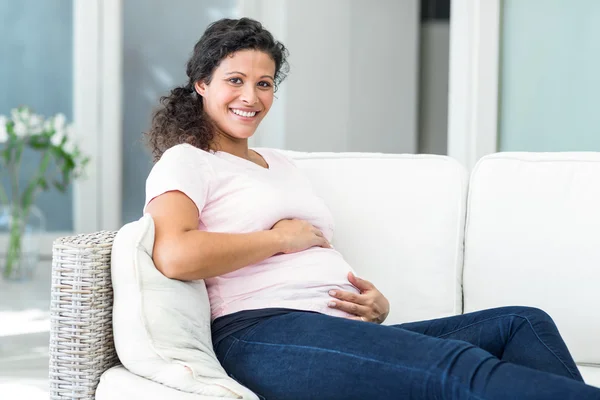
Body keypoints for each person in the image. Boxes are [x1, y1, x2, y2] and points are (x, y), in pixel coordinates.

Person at [143, 17, 600, 400]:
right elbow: (175, 255)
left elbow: (314, 256)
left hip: (339, 331)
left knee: (521, 323)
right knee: (458, 369)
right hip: (264, 333)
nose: (251, 97)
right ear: (202, 84)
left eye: (264, 84)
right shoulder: (187, 160)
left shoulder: (278, 164)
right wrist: (279, 239)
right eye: (235, 81)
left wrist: (374, 307)